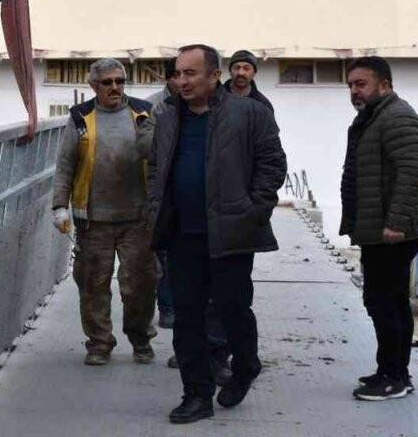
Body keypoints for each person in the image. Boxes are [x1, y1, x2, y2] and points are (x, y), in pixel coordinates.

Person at [147, 44, 286, 424]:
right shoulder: (168, 117)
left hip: (231, 234)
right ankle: (196, 394)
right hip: (182, 235)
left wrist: (253, 210)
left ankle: (245, 366)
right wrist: (155, 213)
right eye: (177, 73)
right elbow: (158, 169)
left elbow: (273, 165)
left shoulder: (250, 113)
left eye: (190, 73)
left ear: (214, 75)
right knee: (187, 317)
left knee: (232, 310)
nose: (181, 81)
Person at [52, 58, 157, 366]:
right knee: (92, 284)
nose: (115, 87)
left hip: (137, 218)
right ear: (93, 86)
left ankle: (140, 339)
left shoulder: (143, 113)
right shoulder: (81, 118)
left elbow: (160, 158)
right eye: (107, 82)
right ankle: (99, 343)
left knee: (140, 284)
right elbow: (65, 164)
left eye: (120, 81)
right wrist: (60, 205)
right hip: (93, 219)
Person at [340, 56, 418, 401]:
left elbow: (412, 172)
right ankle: (391, 371)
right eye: (350, 85)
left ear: (385, 85)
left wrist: (395, 223)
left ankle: (394, 376)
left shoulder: (397, 116)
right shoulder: (373, 117)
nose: (354, 91)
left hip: (395, 232)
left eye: (361, 84)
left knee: (384, 301)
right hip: (380, 230)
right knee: (387, 300)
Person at [146, 59, 178, 331]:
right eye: (177, 75)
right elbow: (147, 151)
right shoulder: (155, 107)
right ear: (168, 79)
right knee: (164, 254)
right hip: (163, 192)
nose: (183, 81)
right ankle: (167, 306)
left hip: (191, 192)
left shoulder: (207, 104)